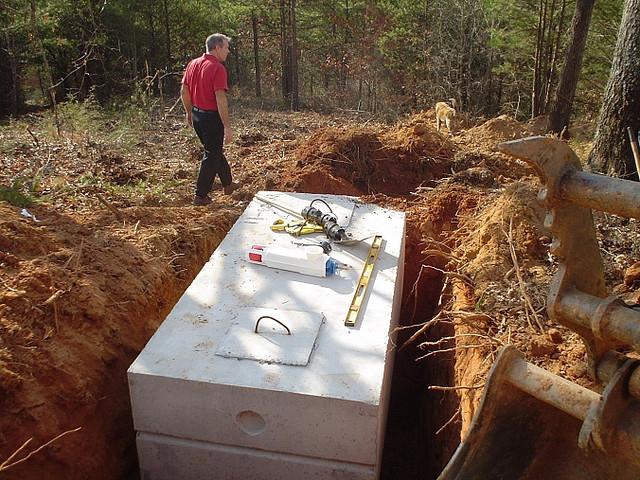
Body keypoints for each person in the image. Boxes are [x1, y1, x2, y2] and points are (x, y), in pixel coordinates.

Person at [181, 33, 239, 205]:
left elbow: (184, 91)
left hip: (198, 116)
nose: (228, 51)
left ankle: (228, 184)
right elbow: (220, 98)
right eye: (226, 48)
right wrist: (227, 126)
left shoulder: (193, 64)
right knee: (212, 155)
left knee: (214, 150)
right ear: (217, 47)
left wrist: (190, 112)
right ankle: (201, 195)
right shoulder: (217, 68)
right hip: (211, 118)